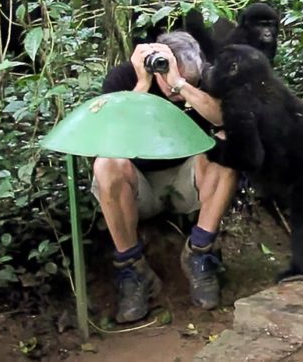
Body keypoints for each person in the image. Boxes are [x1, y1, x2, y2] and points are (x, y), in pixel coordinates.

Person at [91, 31, 237, 323]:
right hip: (137, 185)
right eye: (167, 75)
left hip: (188, 181)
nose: (171, 91)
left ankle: (200, 251)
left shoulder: (200, 79)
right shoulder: (124, 78)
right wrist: (144, 83)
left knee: (229, 145)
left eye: (189, 78)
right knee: (107, 162)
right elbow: (107, 134)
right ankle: (133, 268)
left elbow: (224, 119)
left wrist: (181, 84)